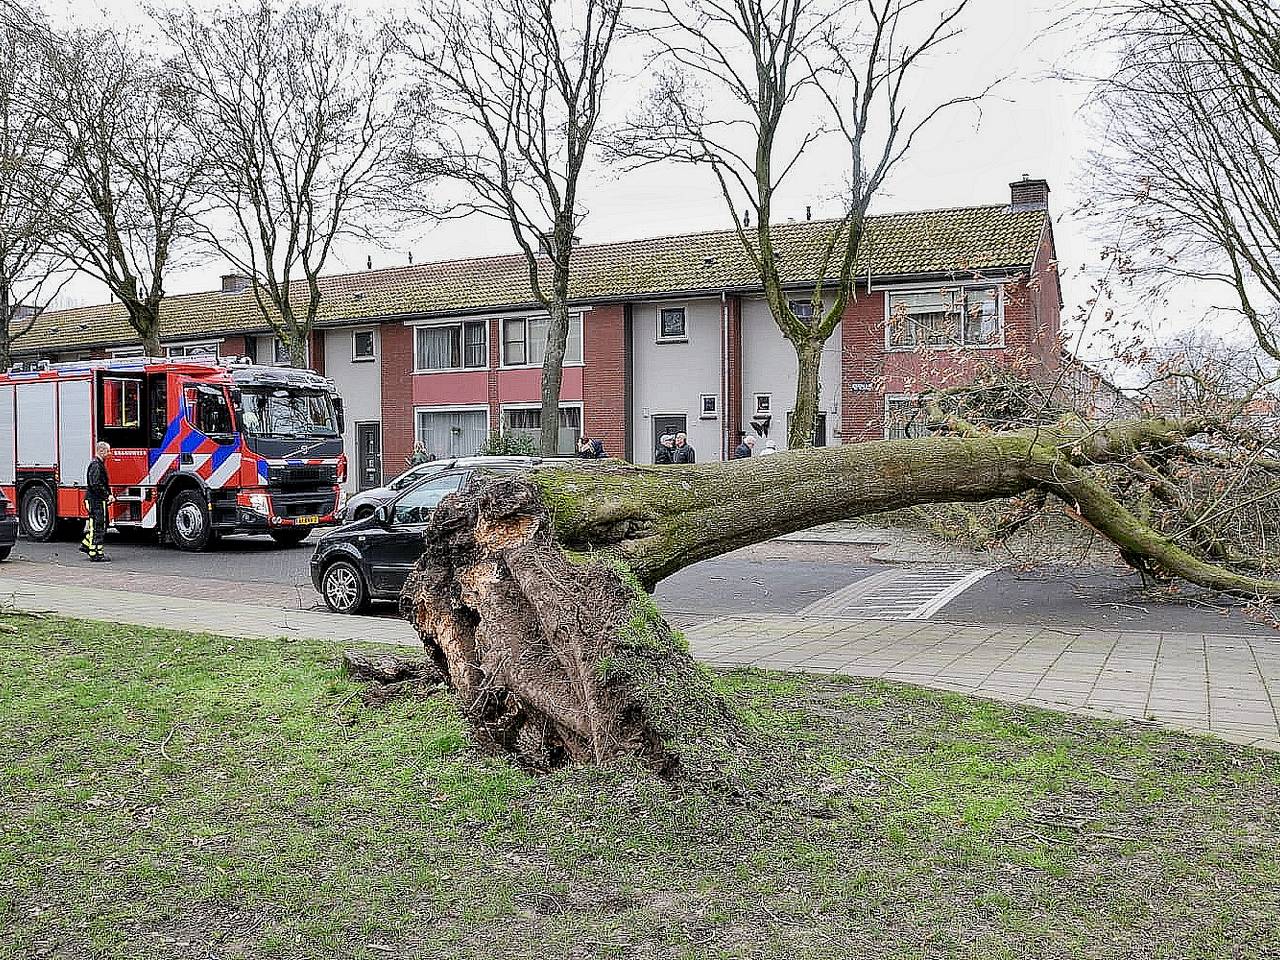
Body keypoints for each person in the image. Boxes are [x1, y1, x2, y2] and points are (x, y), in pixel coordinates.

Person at [80, 441, 114, 562]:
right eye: (107, 451)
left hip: (95, 500)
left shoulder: (97, 464)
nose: (109, 454)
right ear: (101, 451)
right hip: (96, 500)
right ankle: (96, 554)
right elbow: (96, 484)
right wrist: (107, 495)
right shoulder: (96, 465)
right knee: (98, 527)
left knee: (99, 525)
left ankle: (86, 545)